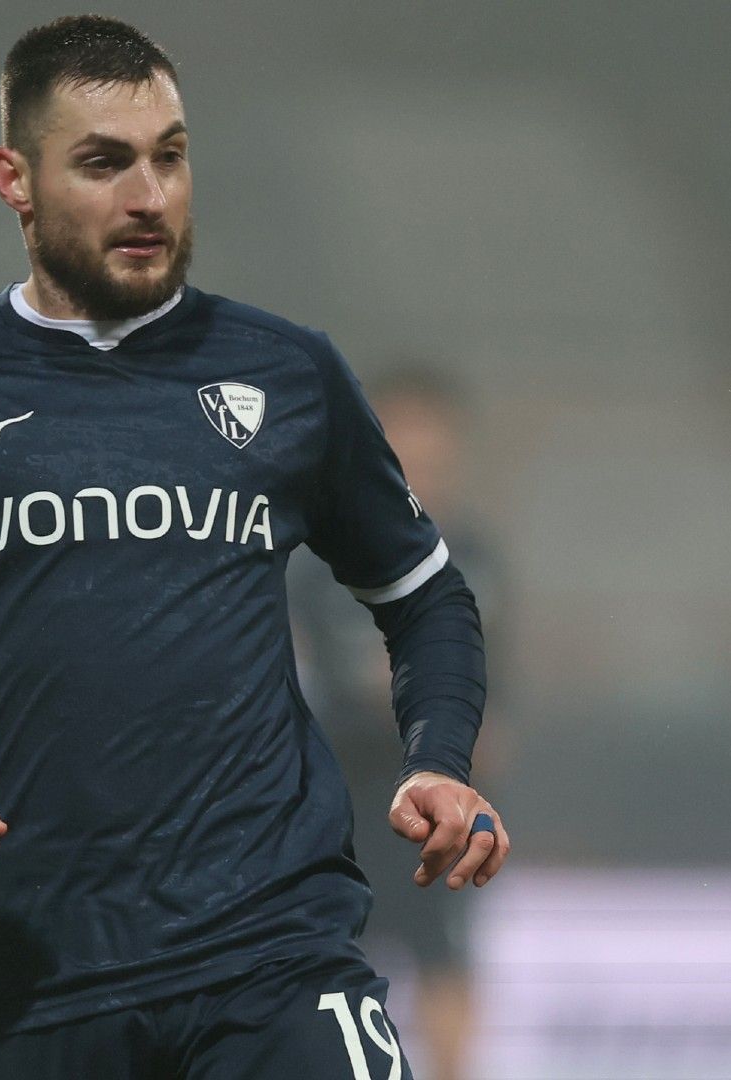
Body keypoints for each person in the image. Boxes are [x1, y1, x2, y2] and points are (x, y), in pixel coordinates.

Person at [0, 16, 508, 1078]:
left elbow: (426, 596)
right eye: (104, 163)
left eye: (170, 154)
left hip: (273, 952)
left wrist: (437, 759)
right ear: (12, 179)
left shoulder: (287, 374)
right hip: (33, 977)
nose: (149, 195)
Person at [289, 367, 505, 1080]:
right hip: (338, 800)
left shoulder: (475, 559)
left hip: (437, 804)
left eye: (435, 458)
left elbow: (502, 693)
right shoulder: (319, 555)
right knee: (323, 966)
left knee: (444, 956)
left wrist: (474, 729)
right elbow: (308, 680)